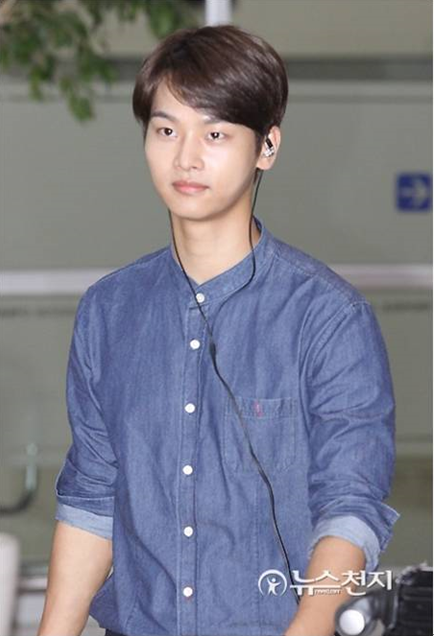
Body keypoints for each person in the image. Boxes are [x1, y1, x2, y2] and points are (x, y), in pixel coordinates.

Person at [38, 24, 400, 636]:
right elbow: (92, 499)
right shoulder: (108, 311)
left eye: (215, 134)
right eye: (166, 130)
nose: (186, 158)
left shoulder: (329, 317)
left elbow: (349, 507)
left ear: (267, 147)